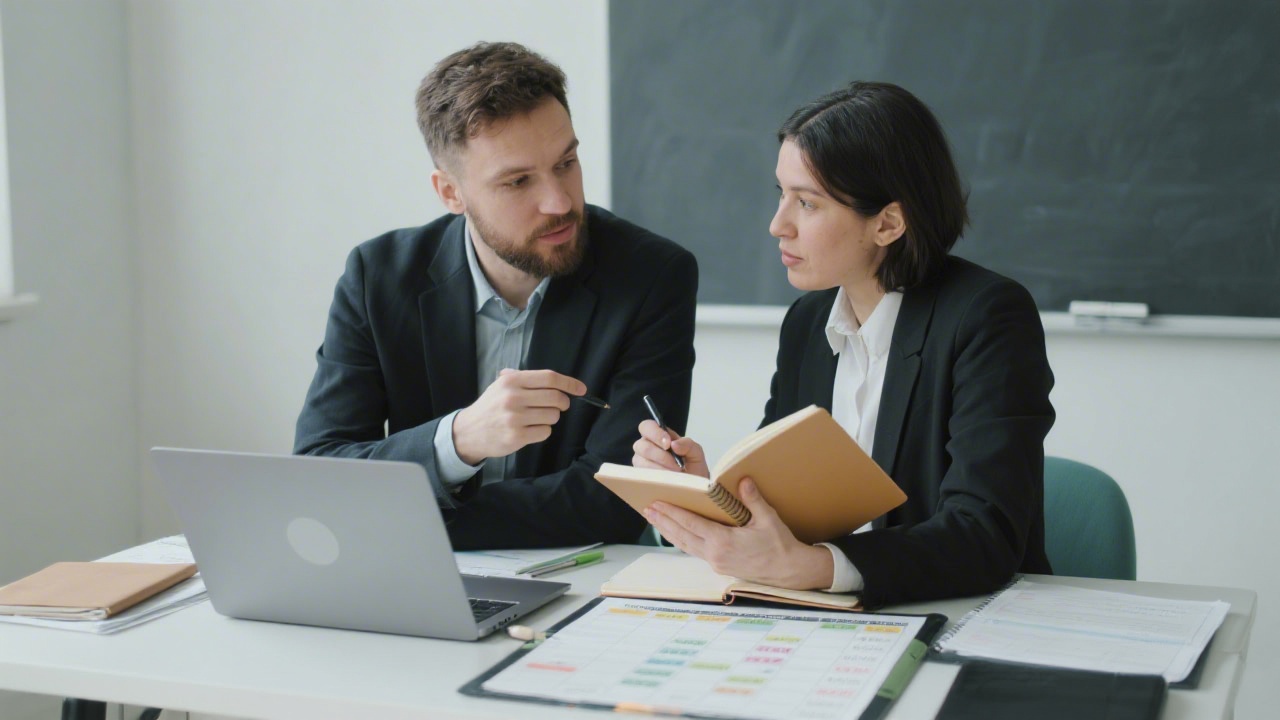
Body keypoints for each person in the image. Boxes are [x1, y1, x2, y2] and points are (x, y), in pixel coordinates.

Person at [633, 81, 1054, 608]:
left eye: (806, 203)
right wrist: (712, 496)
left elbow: (984, 536)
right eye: (780, 194)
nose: (777, 225)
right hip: (823, 621)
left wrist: (814, 567)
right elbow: (785, 510)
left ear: (887, 223)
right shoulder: (807, 323)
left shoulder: (988, 317)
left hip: (960, 614)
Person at [295, 42, 697, 549]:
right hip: (416, 576)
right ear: (450, 193)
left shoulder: (652, 275)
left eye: (566, 162)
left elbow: (615, 500)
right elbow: (319, 475)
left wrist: (404, 515)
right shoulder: (377, 277)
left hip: (584, 576)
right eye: (517, 182)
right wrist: (458, 441)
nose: (559, 201)